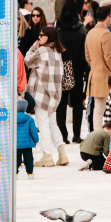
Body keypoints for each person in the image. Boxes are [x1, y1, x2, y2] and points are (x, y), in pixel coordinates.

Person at [24, 27, 69, 167]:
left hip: (41, 93)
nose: (39, 37)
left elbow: (28, 61)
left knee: (43, 124)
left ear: (48, 37)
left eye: (41, 35)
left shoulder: (42, 51)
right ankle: (62, 153)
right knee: (52, 123)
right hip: (54, 94)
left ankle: (47, 155)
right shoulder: (57, 52)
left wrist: (33, 48)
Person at [85, 6, 111, 132]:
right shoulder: (106, 34)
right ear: (108, 17)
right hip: (107, 76)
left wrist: (96, 66)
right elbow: (109, 57)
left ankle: (97, 134)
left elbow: (87, 56)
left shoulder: (90, 32)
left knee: (98, 109)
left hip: (94, 74)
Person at [55, 3, 87, 143]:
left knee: (61, 105)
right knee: (77, 105)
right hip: (76, 72)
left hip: (61, 72)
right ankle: (77, 135)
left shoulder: (57, 36)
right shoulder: (80, 36)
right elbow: (83, 58)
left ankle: (63, 135)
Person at [15, 98, 39, 178]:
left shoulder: (12, 119)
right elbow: (33, 132)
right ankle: (30, 173)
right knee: (28, 159)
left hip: (15, 144)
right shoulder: (29, 119)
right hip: (27, 144)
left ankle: (15, 174)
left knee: (16, 159)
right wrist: (36, 140)